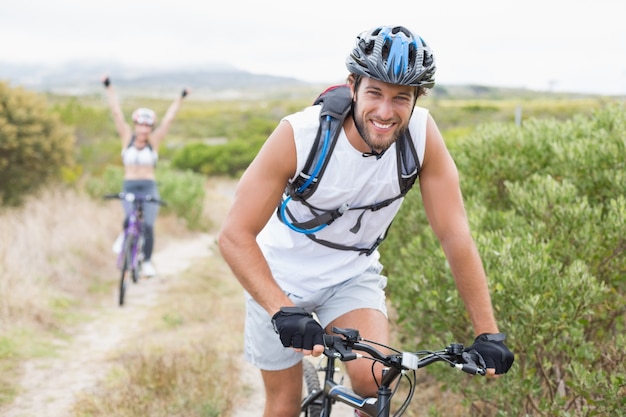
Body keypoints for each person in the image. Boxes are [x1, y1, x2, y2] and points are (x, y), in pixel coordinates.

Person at [218, 25, 514, 417]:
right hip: (279, 277)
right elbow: (234, 235)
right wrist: (280, 309)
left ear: (417, 99)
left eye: (401, 98)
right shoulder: (300, 136)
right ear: (353, 86)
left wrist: (487, 332)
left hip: (349, 276)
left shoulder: (422, 137)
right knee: (283, 404)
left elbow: (454, 234)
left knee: (378, 386)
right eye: (374, 92)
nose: (385, 112)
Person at [102, 75, 189, 277]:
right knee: (128, 219)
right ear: (135, 125)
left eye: (147, 126)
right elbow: (116, 113)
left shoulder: (155, 140)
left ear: (150, 127)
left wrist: (181, 98)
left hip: (149, 187)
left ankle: (147, 261)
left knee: (148, 225)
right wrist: (109, 87)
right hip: (129, 186)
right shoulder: (126, 137)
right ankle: (125, 238)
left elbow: (169, 119)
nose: (143, 129)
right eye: (140, 125)